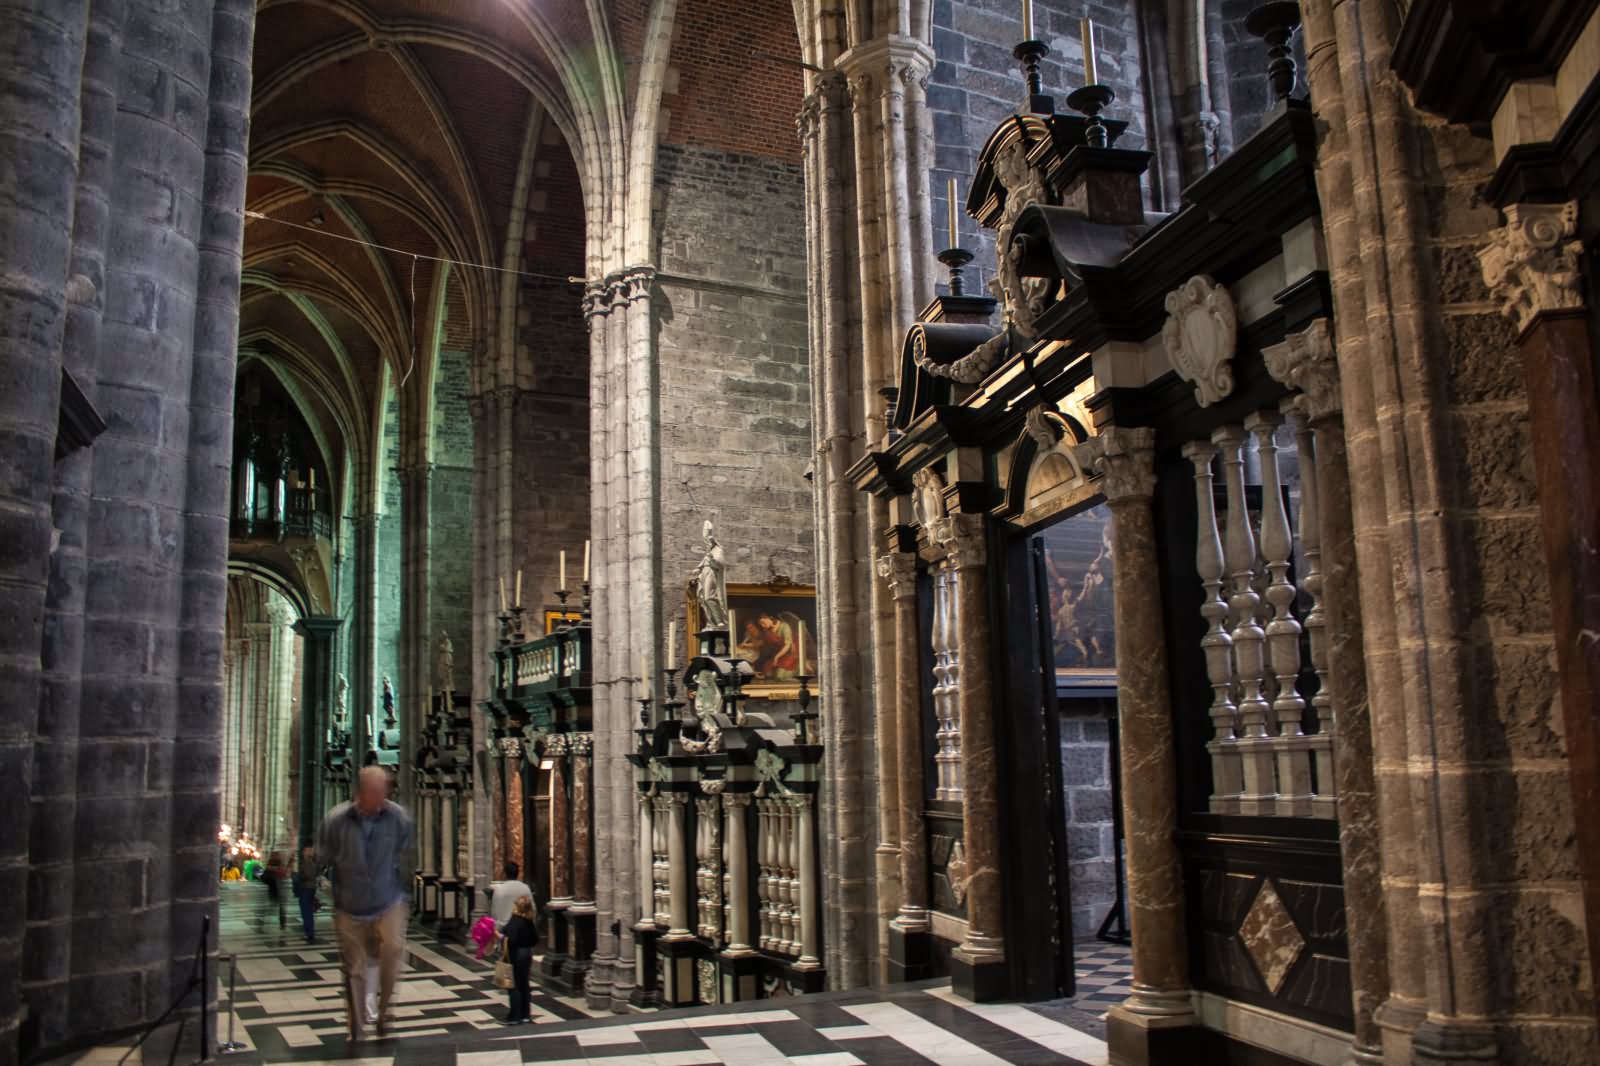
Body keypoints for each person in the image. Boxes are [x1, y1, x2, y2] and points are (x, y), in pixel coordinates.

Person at [318, 766, 412, 1043]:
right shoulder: (336, 820)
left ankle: (384, 1015)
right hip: (350, 903)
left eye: (384, 791)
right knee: (354, 969)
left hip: (388, 898)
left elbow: (406, 850)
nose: (381, 796)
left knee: (393, 952)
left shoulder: (397, 817)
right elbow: (325, 855)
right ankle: (357, 1028)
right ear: (360, 792)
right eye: (375, 791)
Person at [500, 895, 539, 1025]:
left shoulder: (515, 920)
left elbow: (511, 939)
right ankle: (525, 1015)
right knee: (524, 985)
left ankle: (515, 1016)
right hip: (527, 953)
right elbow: (535, 939)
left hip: (516, 954)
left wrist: (499, 936)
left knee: (514, 985)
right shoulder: (529, 920)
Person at [490, 861, 532, 930]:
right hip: (520, 930)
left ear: (505, 874)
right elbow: (532, 911)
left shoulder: (498, 890)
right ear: (518, 874)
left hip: (502, 930)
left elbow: (494, 913)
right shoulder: (525, 888)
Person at [293, 846, 320, 944]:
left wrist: (298, 876)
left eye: (307, 850)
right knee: (307, 912)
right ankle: (309, 932)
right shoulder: (310, 862)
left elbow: (308, 875)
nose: (305, 852)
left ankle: (309, 933)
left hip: (306, 889)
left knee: (306, 912)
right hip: (309, 888)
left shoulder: (308, 862)